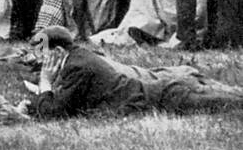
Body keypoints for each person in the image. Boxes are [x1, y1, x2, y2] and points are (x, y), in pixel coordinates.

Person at [28, 25, 243, 117]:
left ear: (57, 51)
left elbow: (54, 113)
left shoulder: (77, 67)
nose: (39, 61)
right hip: (163, 90)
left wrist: (45, 82)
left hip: (166, 96)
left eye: (42, 53)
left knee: (233, 101)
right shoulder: (79, 57)